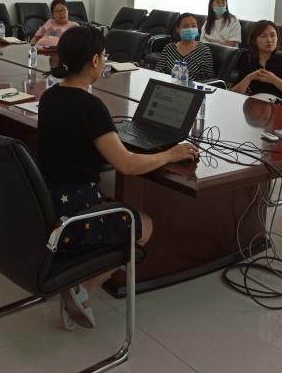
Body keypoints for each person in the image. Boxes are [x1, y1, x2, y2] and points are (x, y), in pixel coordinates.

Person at [37, 26, 198, 330]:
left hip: (48, 202)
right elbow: (127, 165)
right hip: (76, 213)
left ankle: (77, 278)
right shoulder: (90, 106)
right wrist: (170, 154)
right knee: (144, 225)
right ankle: (81, 286)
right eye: (104, 56)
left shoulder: (49, 96)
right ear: (95, 61)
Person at [232, 20, 282, 103]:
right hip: (253, 104)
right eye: (263, 36)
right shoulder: (249, 61)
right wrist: (249, 78)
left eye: (273, 35)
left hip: (278, 106)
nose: (269, 40)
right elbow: (233, 94)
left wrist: (274, 80)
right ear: (254, 41)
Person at [155, 12, 215, 82]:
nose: (190, 29)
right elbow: (158, 72)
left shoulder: (204, 51)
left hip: (192, 87)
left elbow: (208, 79)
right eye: (185, 26)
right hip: (168, 85)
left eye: (193, 26)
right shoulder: (168, 48)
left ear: (197, 28)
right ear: (177, 29)